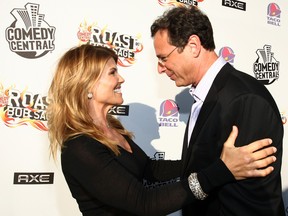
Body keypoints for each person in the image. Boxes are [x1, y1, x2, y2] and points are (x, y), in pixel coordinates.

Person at [47, 44, 276, 216]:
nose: (121, 78)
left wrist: (217, 160)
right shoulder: (79, 147)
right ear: (87, 84)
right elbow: (143, 202)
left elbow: (151, 169)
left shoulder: (112, 128)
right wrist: (221, 171)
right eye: (112, 73)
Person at [150, 6, 285, 216]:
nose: (160, 68)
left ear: (193, 46)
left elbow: (250, 201)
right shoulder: (204, 95)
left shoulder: (245, 99)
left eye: (163, 58)